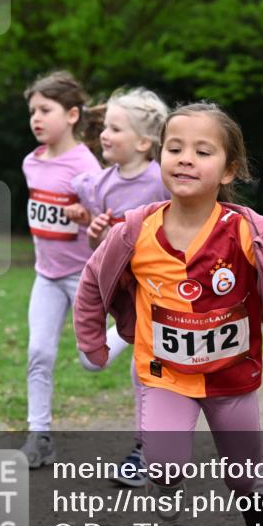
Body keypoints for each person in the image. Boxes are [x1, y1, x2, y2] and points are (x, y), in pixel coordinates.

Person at [74, 101, 263, 526]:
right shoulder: (136, 228)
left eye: (202, 151)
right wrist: (92, 342)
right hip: (165, 373)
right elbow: (91, 282)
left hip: (231, 379)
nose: (185, 159)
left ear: (229, 169)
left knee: (245, 475)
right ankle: (165, 478)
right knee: (165, 468)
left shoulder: (246, 228)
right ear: (160, 158)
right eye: (175, 148)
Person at [70, 87, 171, 487]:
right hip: (122, 300)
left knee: (141, 372)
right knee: (89, 360)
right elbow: (103, 245)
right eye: (105, 127)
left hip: (160, 295)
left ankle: (145, 452)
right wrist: (94, 232)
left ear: (144, 142)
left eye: (115, 128)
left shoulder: (160, 181)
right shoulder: (102, 184)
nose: (104, 135)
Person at [20, 71, 101, 467]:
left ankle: (133, 330)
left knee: (92, 360)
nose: (36, 118)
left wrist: (85, 216)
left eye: (45, 110)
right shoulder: (31, 163)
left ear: (71, 115)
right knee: (38, 352)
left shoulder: (85, 166)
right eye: (32, 110)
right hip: (46, 275)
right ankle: (39, 436)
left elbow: (107, 222)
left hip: (85, 277)